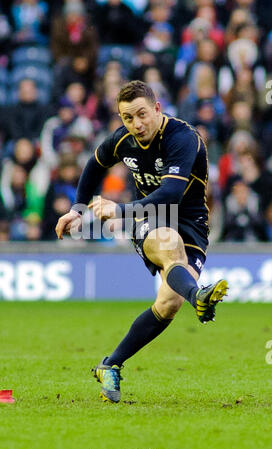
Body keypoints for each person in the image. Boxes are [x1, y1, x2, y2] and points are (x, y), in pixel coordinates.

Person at [55, 80, 228, 403]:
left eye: (142, 115)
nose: (136, 124)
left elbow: (172, 192)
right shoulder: (123, 141)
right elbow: (95, 164)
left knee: (168, 304)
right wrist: (78, 210)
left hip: (191, 222)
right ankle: (199, 296)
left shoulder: (183, 138)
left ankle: (110, 364)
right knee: (167, 242)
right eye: (127, 118)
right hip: (151, 217)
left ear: (157, 109)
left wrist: (118, 208)